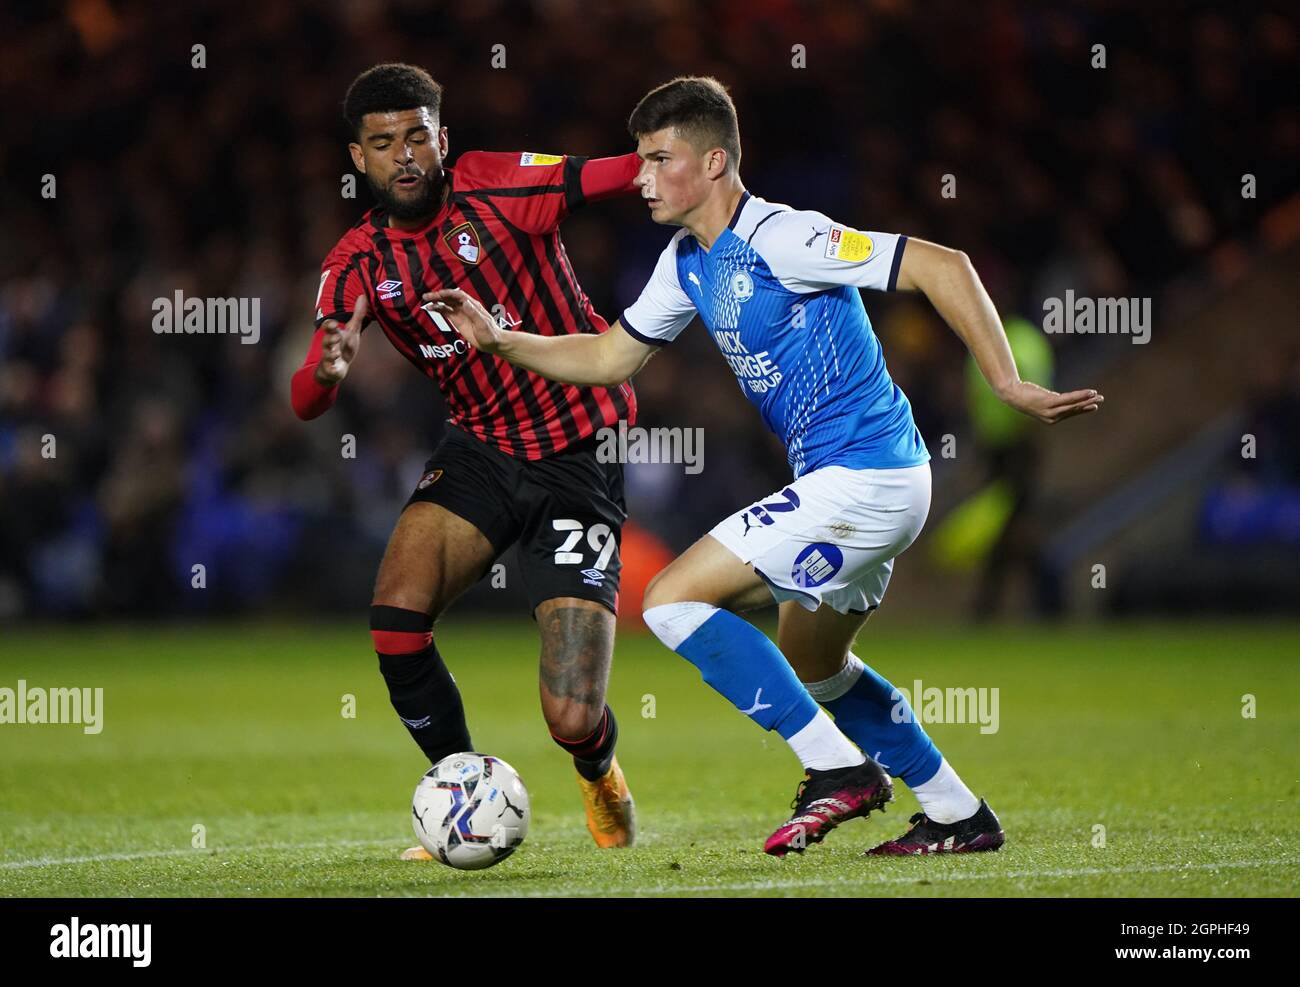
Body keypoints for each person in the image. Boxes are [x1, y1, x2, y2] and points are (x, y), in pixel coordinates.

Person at [426, 76, 1103, 856]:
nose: (639, 178)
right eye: (639, 161)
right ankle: (957, 811)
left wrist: (1006, 380)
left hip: (868, 474)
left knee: (673, 601)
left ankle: (836, 769)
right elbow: (611, 355)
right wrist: (501, 339)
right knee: (816, 662)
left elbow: (942, 264)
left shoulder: (782, 235)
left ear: (714, 162)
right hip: (854, 479)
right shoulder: (686, 261)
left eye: (657, 159)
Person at [292, 63, 644, 857]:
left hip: (579, 447)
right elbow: (305, 399)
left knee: (571, 717)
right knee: (395, 618)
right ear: (360, 159)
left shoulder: (498, 186)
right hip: (482, 446)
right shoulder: (357, 264)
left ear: (442, 137)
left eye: (418, 136)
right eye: (384, 144)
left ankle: (599, 769)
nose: (405, 156)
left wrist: (678, 160)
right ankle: (460, 793)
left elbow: (612, 175)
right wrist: (327, 369)